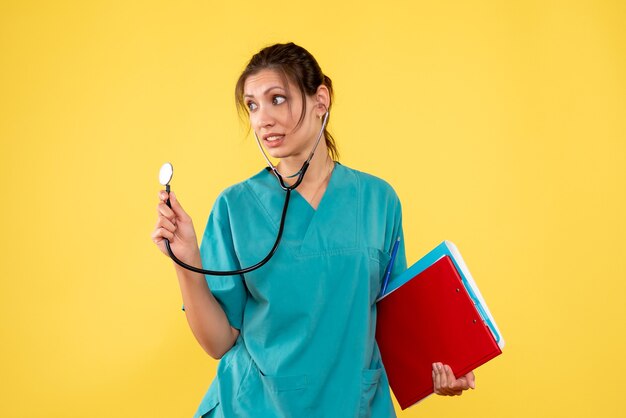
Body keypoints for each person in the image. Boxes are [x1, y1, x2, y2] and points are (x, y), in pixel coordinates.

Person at [152, 42, 475, 418]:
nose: (262, 120)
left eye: (277, 99)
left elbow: (396, 320)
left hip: (350, 405)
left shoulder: (377, 201)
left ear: (320, 100)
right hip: (254, 407)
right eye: (252, 105)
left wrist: (441, 365)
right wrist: (187, 261)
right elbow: (219, 342)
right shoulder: (235, 207)